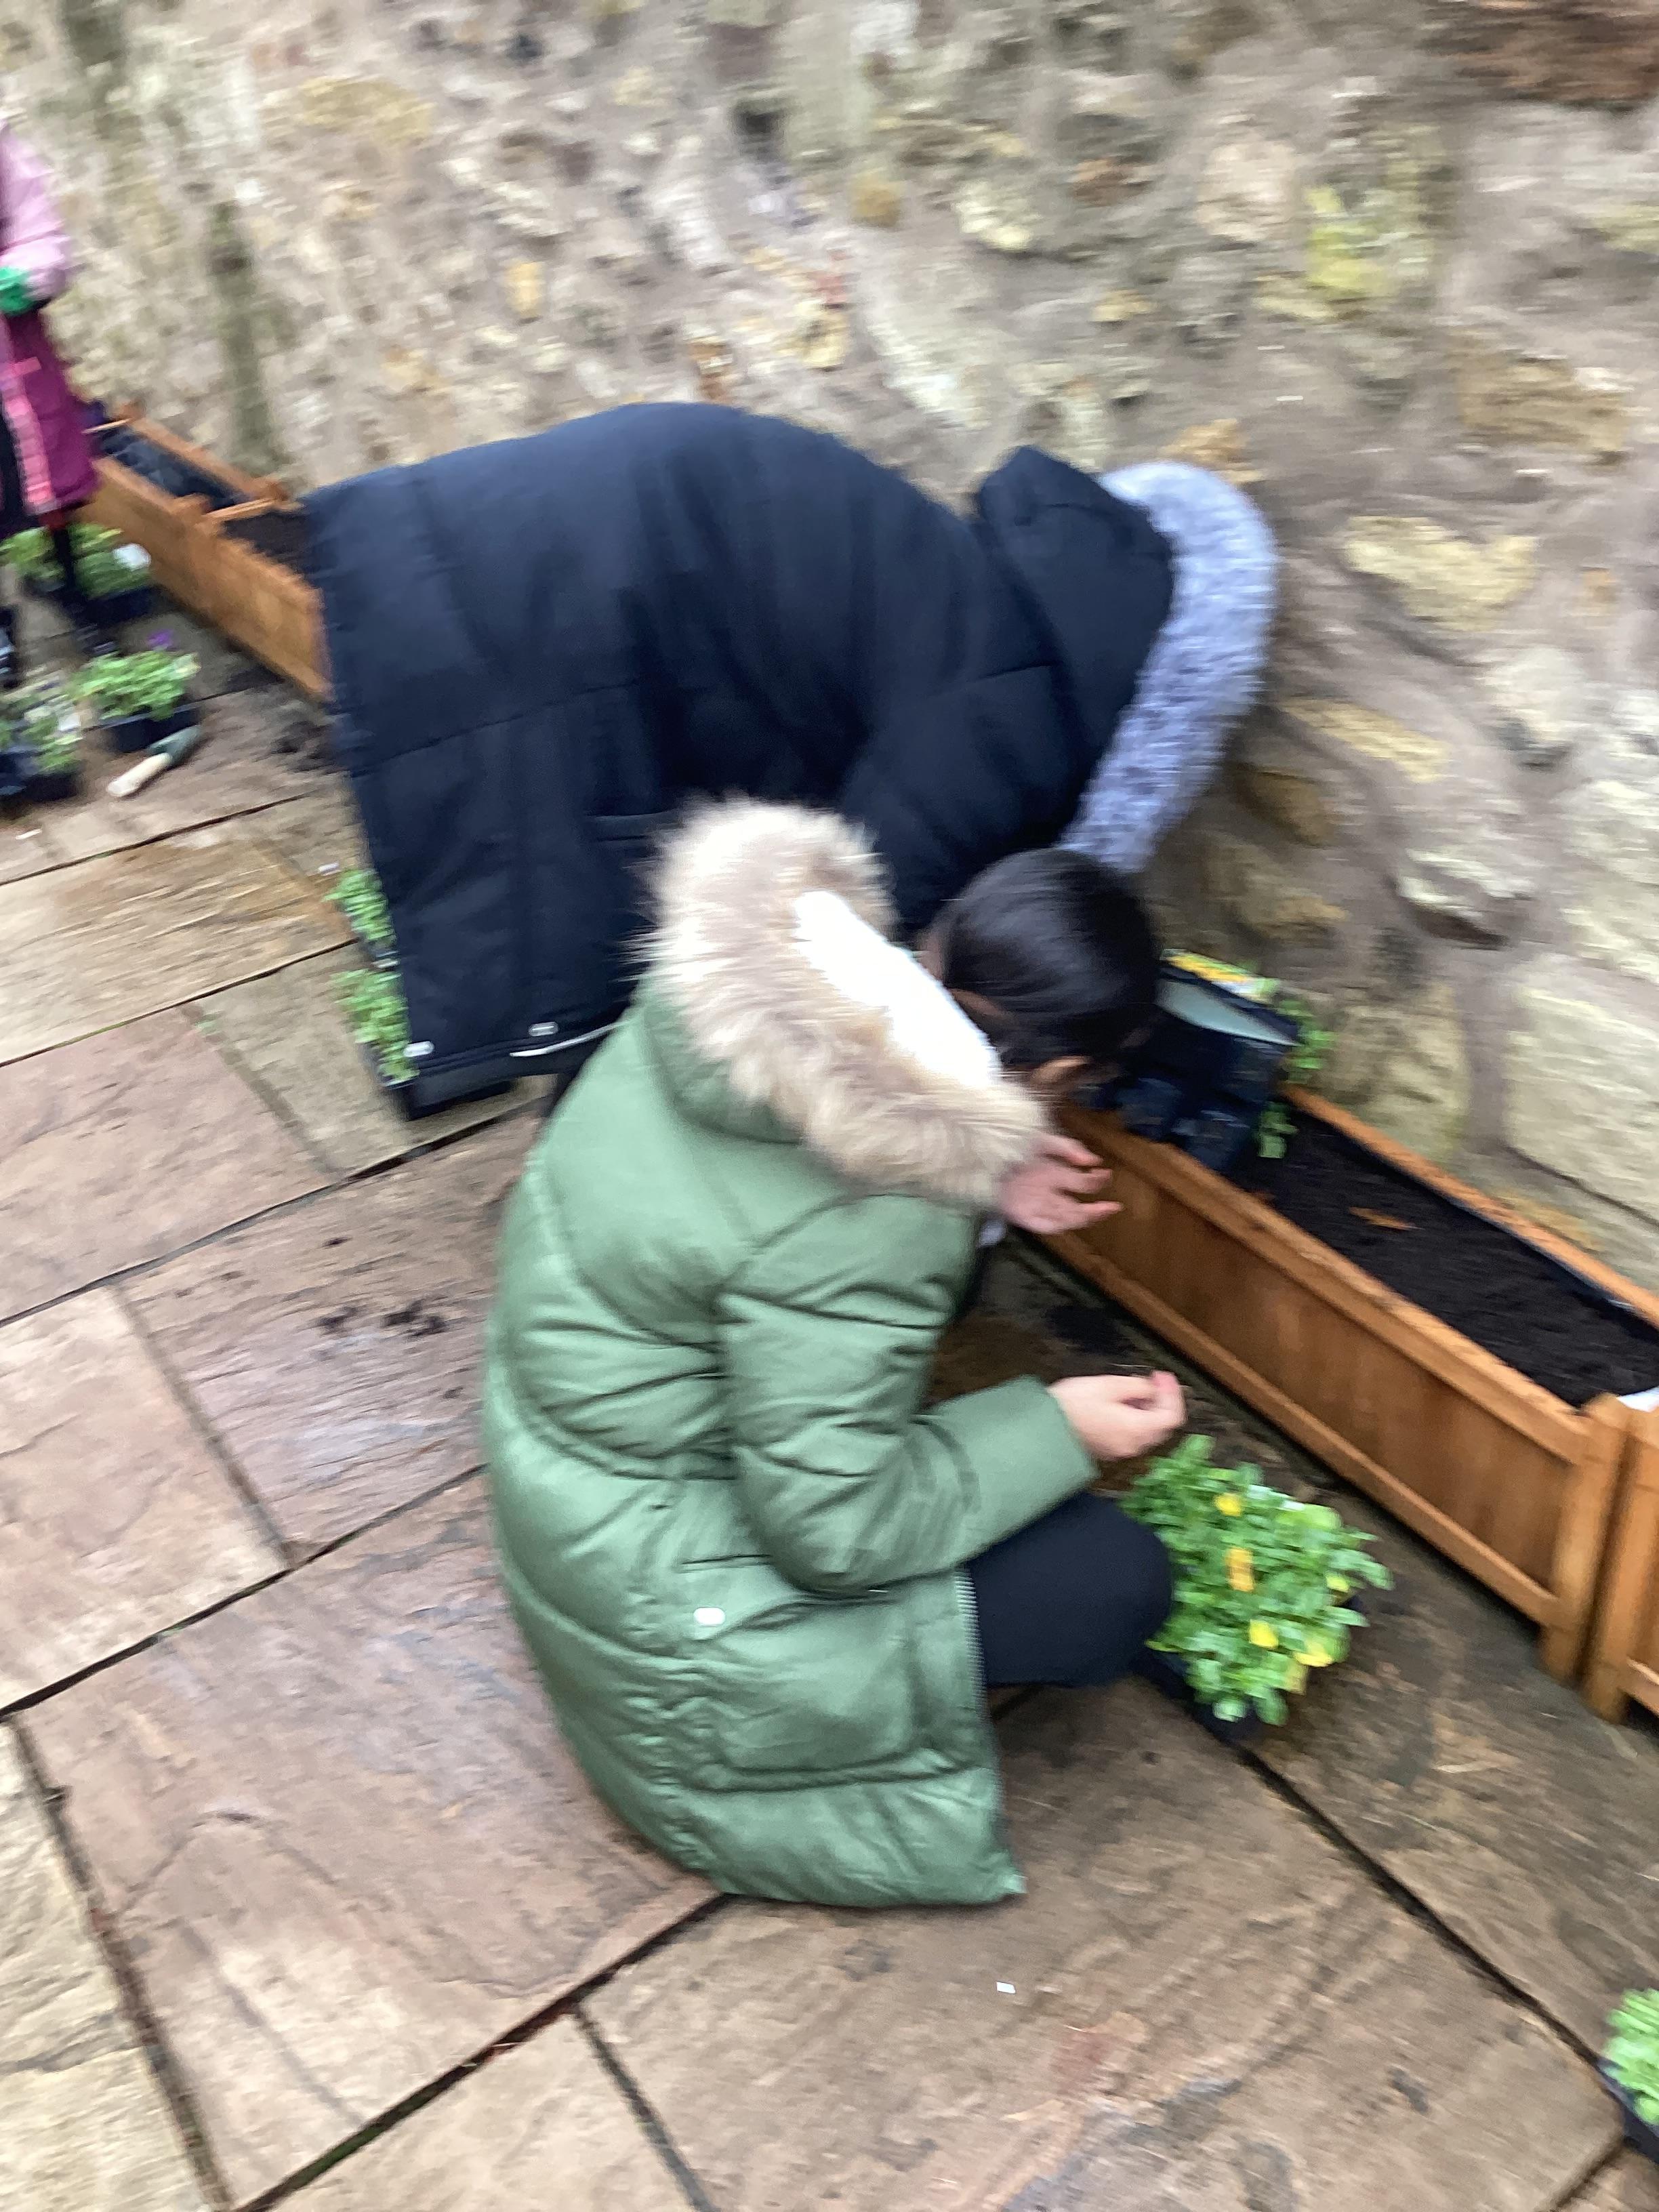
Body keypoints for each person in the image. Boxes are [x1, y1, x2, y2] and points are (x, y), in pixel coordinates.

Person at [483, 799, 1185, 1910]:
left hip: (569, 1475)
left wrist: (979, 1173)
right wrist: (1058, 1427)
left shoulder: (739, 987)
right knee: (1111, 1583)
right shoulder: (878, 1215)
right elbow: (834, 1533)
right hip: (656, 1606)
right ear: (1057, 1066)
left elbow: (751, 1216)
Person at [308, 404, 1275, 1111]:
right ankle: (602, 1199)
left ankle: (564, 1141)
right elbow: (829, 949)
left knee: (584, 896)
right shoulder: (1013, 731)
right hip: (550, 609)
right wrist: (974, 1155)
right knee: (588, 917)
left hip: (494, 545)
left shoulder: (1000, 618)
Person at [0, 125, 107, 680]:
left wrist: (21, 275)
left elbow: (39, 230)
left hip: (12, 351)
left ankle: (74, 590)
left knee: (50, 487)